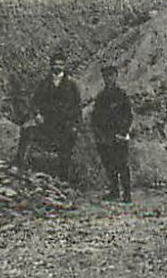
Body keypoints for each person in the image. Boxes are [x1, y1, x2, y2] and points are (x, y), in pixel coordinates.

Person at [21, 51, 81, 181]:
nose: (58, 67)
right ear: (51, 66)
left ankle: (64, 181)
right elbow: (35, 101)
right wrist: (37, 114)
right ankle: (22, 167)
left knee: (65, 151)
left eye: (61, 64)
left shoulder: (71, 84)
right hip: (47, 121)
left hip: (65, 123)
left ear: (64, 66)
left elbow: (77, 106)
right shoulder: (44, 83)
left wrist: (76, 124)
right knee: (27, 133)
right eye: (55, 64)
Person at [90, 63, 133, 203]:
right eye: (106, 76)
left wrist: (123, 132)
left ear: (116, 76)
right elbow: (95, 117)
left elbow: (128, 116)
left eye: (111, 76)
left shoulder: (121, 95)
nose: (108, 79)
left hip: (119, 135)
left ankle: (127, 193)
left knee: (122, 164)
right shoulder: (101, 97)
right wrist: (99, 135)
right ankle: (114, 191)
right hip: (105, 136)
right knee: (109, 164)